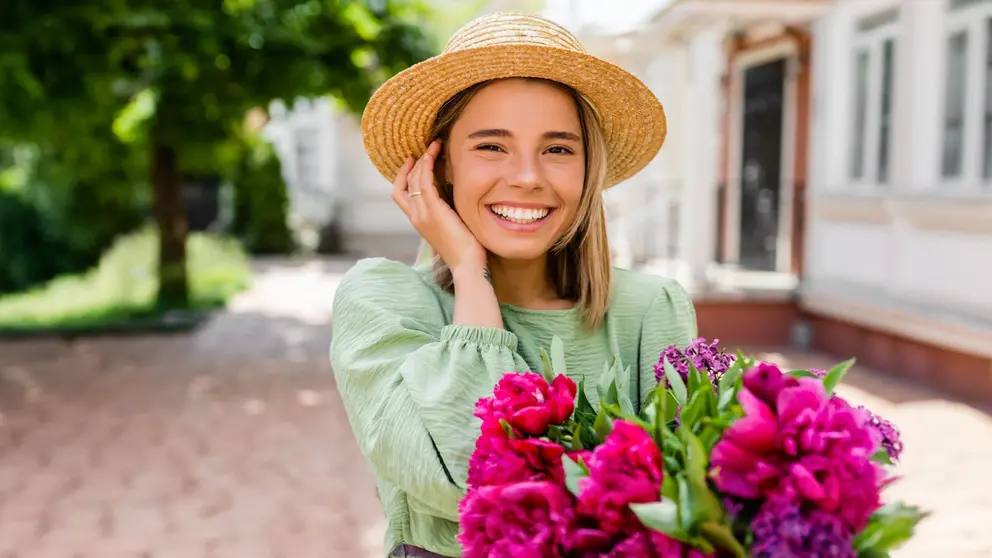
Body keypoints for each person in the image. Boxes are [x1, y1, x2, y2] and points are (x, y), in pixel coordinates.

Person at [330, 12, 697, 558]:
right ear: (440, 168)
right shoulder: (384, 303)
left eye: (557, 149)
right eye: (491, 146)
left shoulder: (649, 311)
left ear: (587, 168)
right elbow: (469, 483)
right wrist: (468, 272)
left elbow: (685, 505)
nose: (527, 176)